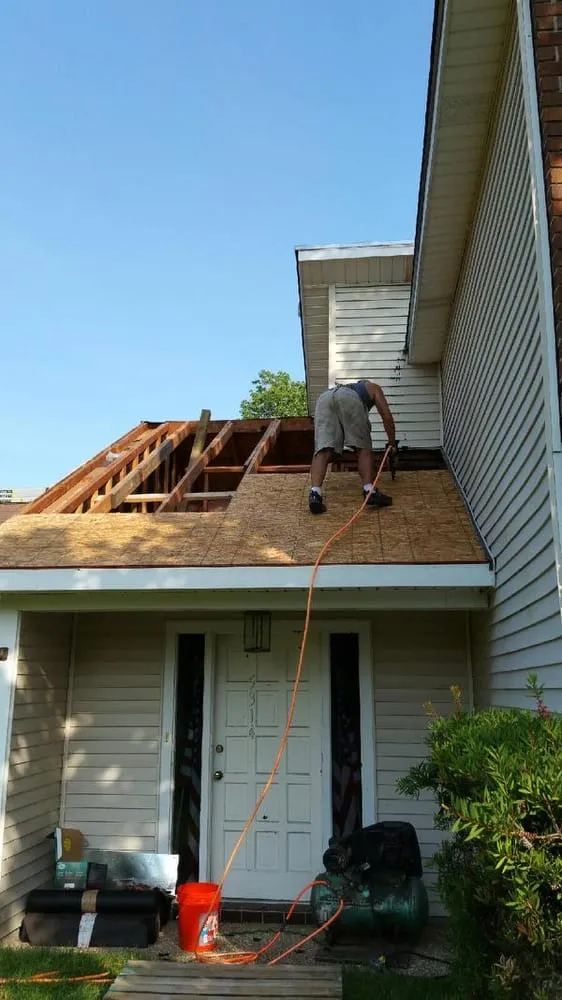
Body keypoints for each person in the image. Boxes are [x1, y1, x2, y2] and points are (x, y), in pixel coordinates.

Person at [309, 379, 398, 514]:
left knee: (323, 450)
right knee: (363, 447)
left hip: (324, 398)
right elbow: (386, 416)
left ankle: (315, 493)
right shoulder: (372, 387)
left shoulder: (345, 388)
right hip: (348, 399)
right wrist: (392, 443)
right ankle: (369, 490)